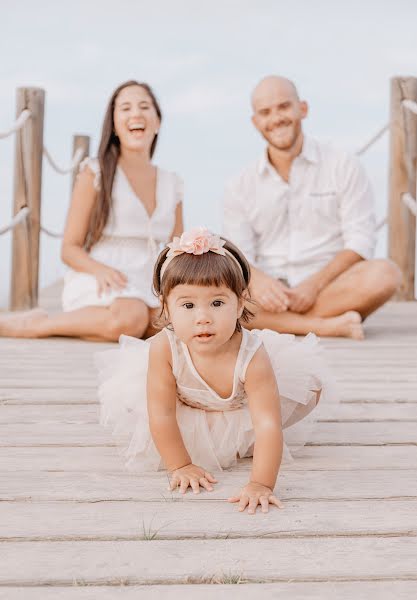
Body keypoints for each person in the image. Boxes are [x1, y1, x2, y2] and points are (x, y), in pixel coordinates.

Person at [96, 227, 333, 515]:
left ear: (240, 304)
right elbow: (162, 414)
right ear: (166, 308)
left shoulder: (252, 355)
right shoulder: (164, 348)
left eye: (217, 303)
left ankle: (242, 443)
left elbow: (268, 423)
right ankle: (216, 444)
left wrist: (261, 484)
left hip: (241, 408)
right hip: (185, 411)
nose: (203, 318)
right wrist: (180, 465)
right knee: (137, 408)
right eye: (188, 305)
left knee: (310, 389)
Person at [0, 80, 183, 341]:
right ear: (114, 125)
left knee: (172, 322)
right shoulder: (95, 172)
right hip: (105, 274)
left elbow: (176, 250)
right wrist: (100, 270)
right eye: (125, 108)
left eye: (144, 106)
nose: (136, 114)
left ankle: (116, 325)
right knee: (131, 318)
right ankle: (40, 324)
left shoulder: (172, 182)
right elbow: (69, 248)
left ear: (157, 121)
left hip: (151, 279)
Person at [223, 76, 402, 340]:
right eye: (265, 112)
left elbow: (361, 240)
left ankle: (283, 324)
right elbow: (239, 253)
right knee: (222, 295)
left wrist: (314, 286)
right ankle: (325, 326)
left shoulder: (343, 165)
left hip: (330, 287)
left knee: (385, 274)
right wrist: (259, 281)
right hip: (269, 294)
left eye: (284, 107)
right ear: (255, 122)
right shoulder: (239, 185)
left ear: (302, 109)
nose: (276, 118)